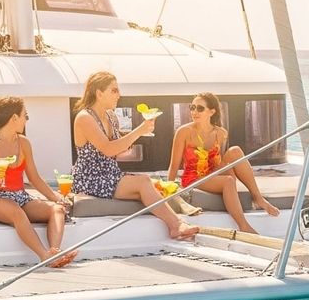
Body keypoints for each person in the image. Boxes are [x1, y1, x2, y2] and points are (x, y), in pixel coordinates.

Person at [71, 71, 200, 241]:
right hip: (90, 178)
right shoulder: (85, 118)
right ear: (99, 93)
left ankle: (177, 224)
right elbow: (109, 149)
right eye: (114, 90)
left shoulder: (110, 116)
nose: (119, 95)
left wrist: (134, 136)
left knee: (149, 186)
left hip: (110, 174)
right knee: (143, 182)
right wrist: (139, 130)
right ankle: (176, 226)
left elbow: (117, 148)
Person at [0, 96, 74, 267]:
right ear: (14, 118)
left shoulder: (23, 143)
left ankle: (54, 252)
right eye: (25, 115)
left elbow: (34, 178)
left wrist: (56, 198)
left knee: (57, 210)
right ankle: (44, 256)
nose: (26, 120)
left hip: (20, 196)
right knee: (17, 213)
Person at [166, 91, 280, 236]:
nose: (194, 112)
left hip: (212, 171)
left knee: (235, 151)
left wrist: (228, 172)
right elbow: (174, 165)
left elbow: (217, 161)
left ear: (211, 111)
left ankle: (257, 197)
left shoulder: (221, 133)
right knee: (228, 181)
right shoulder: (184, 132)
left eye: (200, 108)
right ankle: (243, 225)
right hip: (194, 177)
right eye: (192, 107)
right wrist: (168, 190)